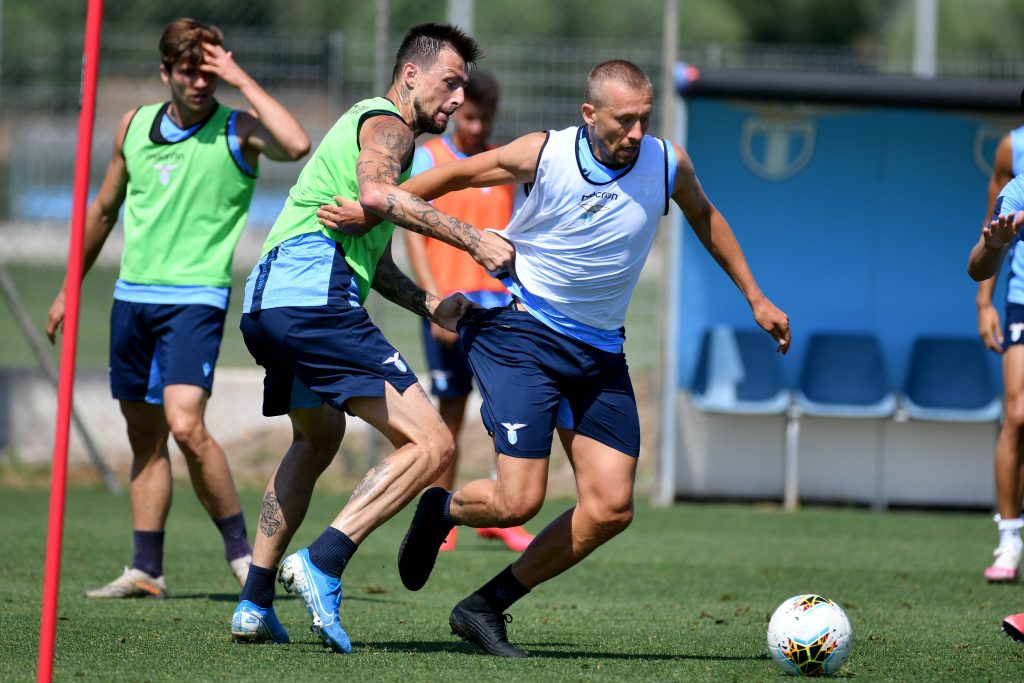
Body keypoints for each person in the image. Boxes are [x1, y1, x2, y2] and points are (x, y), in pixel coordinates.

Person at [319, 59, 791, 657]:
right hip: (523, 334)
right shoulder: (546, 153)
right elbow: (459, 174)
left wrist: (756, 296)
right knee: (519, 501)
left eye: (645, 119)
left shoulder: (667, 163)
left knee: (611, 508)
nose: (637, 134)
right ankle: (443, 507)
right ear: (589, 114)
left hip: (599, 351)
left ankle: (483, 606)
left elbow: (705, 215)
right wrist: (376, 206)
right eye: (624, 121)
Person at [228, 24, 514, 653]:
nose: (459, 98)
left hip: (270, 304)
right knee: (433, 443)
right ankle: (324, 561)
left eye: (465, 85)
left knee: (316, 438)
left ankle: (253, 599)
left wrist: (430, 302)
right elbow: (377, 192)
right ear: (411, 74)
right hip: (314, 302)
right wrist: (472, 237)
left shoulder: (371, 128)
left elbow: (373, 255)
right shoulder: (389, 125)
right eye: (451, 81)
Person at [44, 18, 310, 599]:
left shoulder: (238, 129)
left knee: (186, 425)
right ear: (166, 72)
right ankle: (147, 568)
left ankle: (244, 558)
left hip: (195, 299)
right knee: (145, 436)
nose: (199, 81)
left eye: (208, 70)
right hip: (132, 298)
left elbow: (296, 144)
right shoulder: (134, 126)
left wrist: (237, 75)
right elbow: (104, 210)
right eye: (189, 70)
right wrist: (69, 286)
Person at [405, 69, 533, 553]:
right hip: (451, 307)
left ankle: (501, 508)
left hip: (500, 308)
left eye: (485, 118)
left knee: (510, 412)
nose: (477, 127)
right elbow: (413, 233)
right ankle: (442, 516)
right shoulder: (432, 159)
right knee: (451, 412)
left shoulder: (502, 166)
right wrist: (433, 298)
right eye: (470, 116)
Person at [969, 128, 1024, 582]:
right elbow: (984, 251)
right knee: (1019, 415)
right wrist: (985, 301)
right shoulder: (1017, 171)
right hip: (1022, 302)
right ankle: (1009, 539)